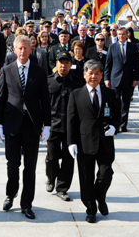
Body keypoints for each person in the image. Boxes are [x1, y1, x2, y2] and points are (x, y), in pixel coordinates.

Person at [0, 35, 51, 220]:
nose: (22, 51)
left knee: (30, 166)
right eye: (19, 48)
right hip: (12, 123)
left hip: (32, 124)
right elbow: (1, 99)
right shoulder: (6, 70)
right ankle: (11, 194)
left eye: (26, 48)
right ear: (14, 49)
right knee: (13, 164)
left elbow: (45, 100)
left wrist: (48, 124)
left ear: (30, 49)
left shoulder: (39, 71)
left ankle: (27, 203)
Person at [67, 59, 120, 223]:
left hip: (105, 142)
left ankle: (100, 197)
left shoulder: (109, 94)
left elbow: (117, 115)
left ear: (101, 75)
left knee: (106, 173)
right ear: (84, 75)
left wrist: (114, 126)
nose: (94, 76)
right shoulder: (76, 94)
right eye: (90, 73)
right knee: (86, 177)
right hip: (84, 142)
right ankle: (91, 208)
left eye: (97, 73)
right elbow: (71, 120)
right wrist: (71, 142)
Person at [46, 51, 84, 201]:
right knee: (52, 157)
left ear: (70, 64)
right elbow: (43, 105)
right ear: (56, 64)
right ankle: (50, 177)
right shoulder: (49, 81)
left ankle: (62, 188)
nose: (63, 66)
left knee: (69, 160)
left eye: (66, 62)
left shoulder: (77, 82)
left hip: (71, 127)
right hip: (53, 126)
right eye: (60, 63)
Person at [104, 27, 139, 132]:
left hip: (128, 80)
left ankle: (123, 124)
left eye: (123, 34)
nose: (121, 36)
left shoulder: (133, 47)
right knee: (115, 103)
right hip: (115, 79)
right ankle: (116, 124)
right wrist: (107, 79)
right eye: (119, 34)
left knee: (126, 103)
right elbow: (108, 65)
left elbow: (137, 65)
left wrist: (136, 78)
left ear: (127, 35)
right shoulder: (112, 47)